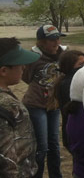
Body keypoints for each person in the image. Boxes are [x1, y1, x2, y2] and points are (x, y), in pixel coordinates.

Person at [22, 24, 66, 178]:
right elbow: (25, 77)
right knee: (42, 146)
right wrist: (41, 88)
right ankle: (37, 175)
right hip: (35, 105)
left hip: (54, 105)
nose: (56, 42)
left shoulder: (63, 54)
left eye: (57, 38)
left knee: (54, 144)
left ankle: (56, 175)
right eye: (52, 39)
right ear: (41, 42)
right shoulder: (33, 57)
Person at [0, 37, 40, 177]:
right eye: (19, 63)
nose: (24, 67)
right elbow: (7, 160)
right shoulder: (6, 105)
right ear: (4, 70)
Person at [54, 50, 84, 151]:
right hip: (76, 134)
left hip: (74, 133)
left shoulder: (70, 81)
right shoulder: (69, 84)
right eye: (80, 64)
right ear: (69, 66)